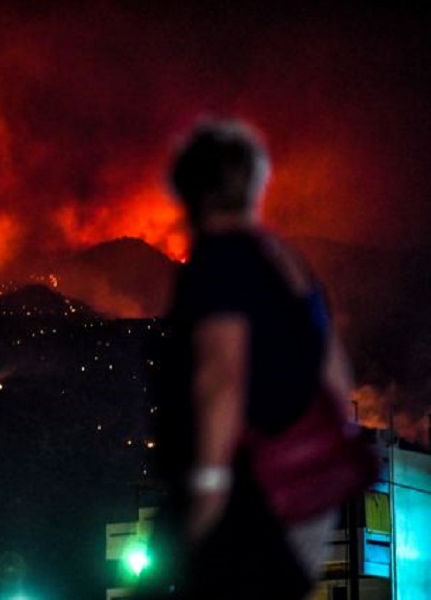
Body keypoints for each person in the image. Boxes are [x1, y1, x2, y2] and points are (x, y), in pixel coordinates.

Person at [145, 119, 354, 599]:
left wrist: (209, 488)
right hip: (302, 507)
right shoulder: (289, 265)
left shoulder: (220, 262)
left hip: (246, 500)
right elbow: (338, 381)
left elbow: (221, 378)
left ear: (189, 192)